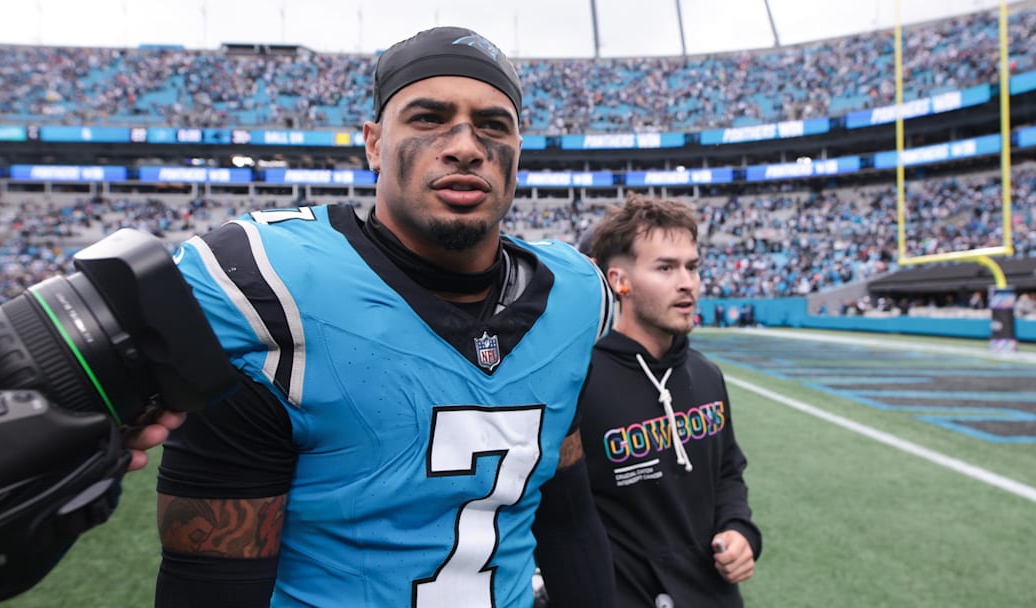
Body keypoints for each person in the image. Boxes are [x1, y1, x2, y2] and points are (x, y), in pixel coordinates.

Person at [154, 26, 615, 608]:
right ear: (373, 143)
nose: (466, 146)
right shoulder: (268, 286)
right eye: (428, 118)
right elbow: (208, 580)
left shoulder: (574, 295)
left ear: (519, 149)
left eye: (494, 125)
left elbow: (569, 520)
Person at [578, 194, 762, 607]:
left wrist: (740, 531)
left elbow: (728, 473)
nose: (687, 282)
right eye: (665, 268)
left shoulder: (706, 374)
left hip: (713, 593)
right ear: (618, 281)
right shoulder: (578, 382)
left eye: (692, 267)